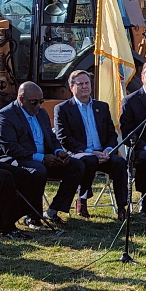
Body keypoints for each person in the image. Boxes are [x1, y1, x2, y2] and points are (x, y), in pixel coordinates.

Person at [0, 82, 85, 227]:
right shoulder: (5, 116)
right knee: (38, 170)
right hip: (15, 161)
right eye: (33, 102)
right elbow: (10, 149)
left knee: (76, 165)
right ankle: (32, 216)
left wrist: (58, 152)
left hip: (43, 158)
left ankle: (54, 210)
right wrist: (42, 158)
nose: (37, 106)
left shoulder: (41, 113)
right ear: (21, 99)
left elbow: (51, 138)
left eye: (41, 101)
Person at [54, 70, 129, 221]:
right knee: (89, 160)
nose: (85, 87)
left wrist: (108, 150)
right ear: (71, 87)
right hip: (80, 153)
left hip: (104, 153)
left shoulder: (102, 107)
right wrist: (91, 152)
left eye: (87, 83)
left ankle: (122, 208)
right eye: (80, 84)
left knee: (120, 163)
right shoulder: (62, 109)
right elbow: (65, 138)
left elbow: (111, 134)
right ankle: (82, 200)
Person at [120, 60, 146, 216]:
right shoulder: (130, 101)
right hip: (141, 148)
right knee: (144, 158)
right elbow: (128, 132)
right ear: (142, 76)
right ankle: (144, 197)